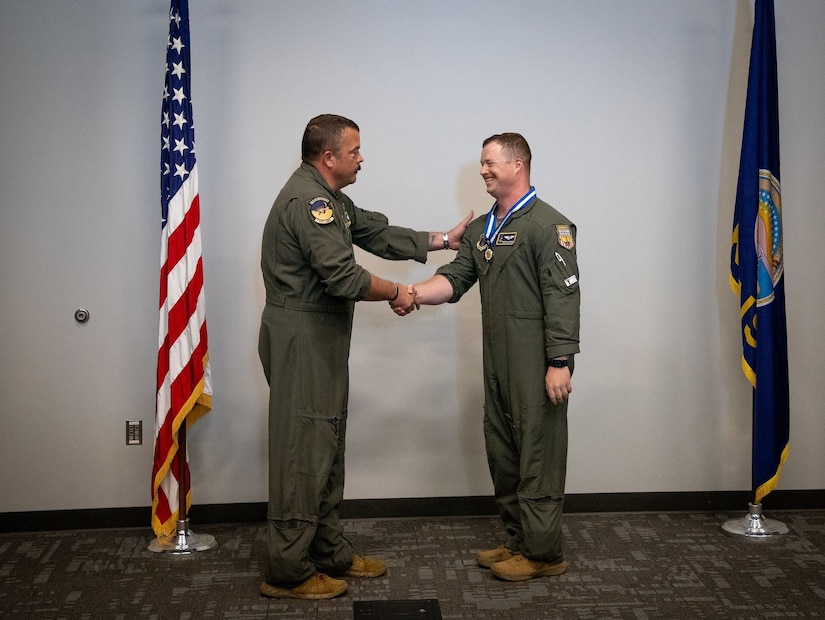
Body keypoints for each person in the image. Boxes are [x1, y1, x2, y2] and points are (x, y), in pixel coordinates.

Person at [257, 114, 472, 600]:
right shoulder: (308, 201)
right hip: (302, 336)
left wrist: (442, 239)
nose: (362, 158)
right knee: (302, 451)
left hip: (321, 336)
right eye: (354, 151)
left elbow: (374, 231)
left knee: (325, 442)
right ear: (328, 157)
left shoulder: (331, 198)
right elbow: (344, 277)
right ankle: (287, 571)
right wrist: (402, 291)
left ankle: (326, 550)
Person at [408, 133, 580, 582]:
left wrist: (559, 362)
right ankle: (518, 540)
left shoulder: (549, 225)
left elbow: (563, 298)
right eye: (482, 163)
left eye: (490, 163)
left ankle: (544, 553)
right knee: (503, 450)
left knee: (537, 454)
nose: (483, 170)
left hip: (535, 362)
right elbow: (455, 277)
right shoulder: (487, 227)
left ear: (518, 165)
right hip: (497, 360)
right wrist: (411, 294)